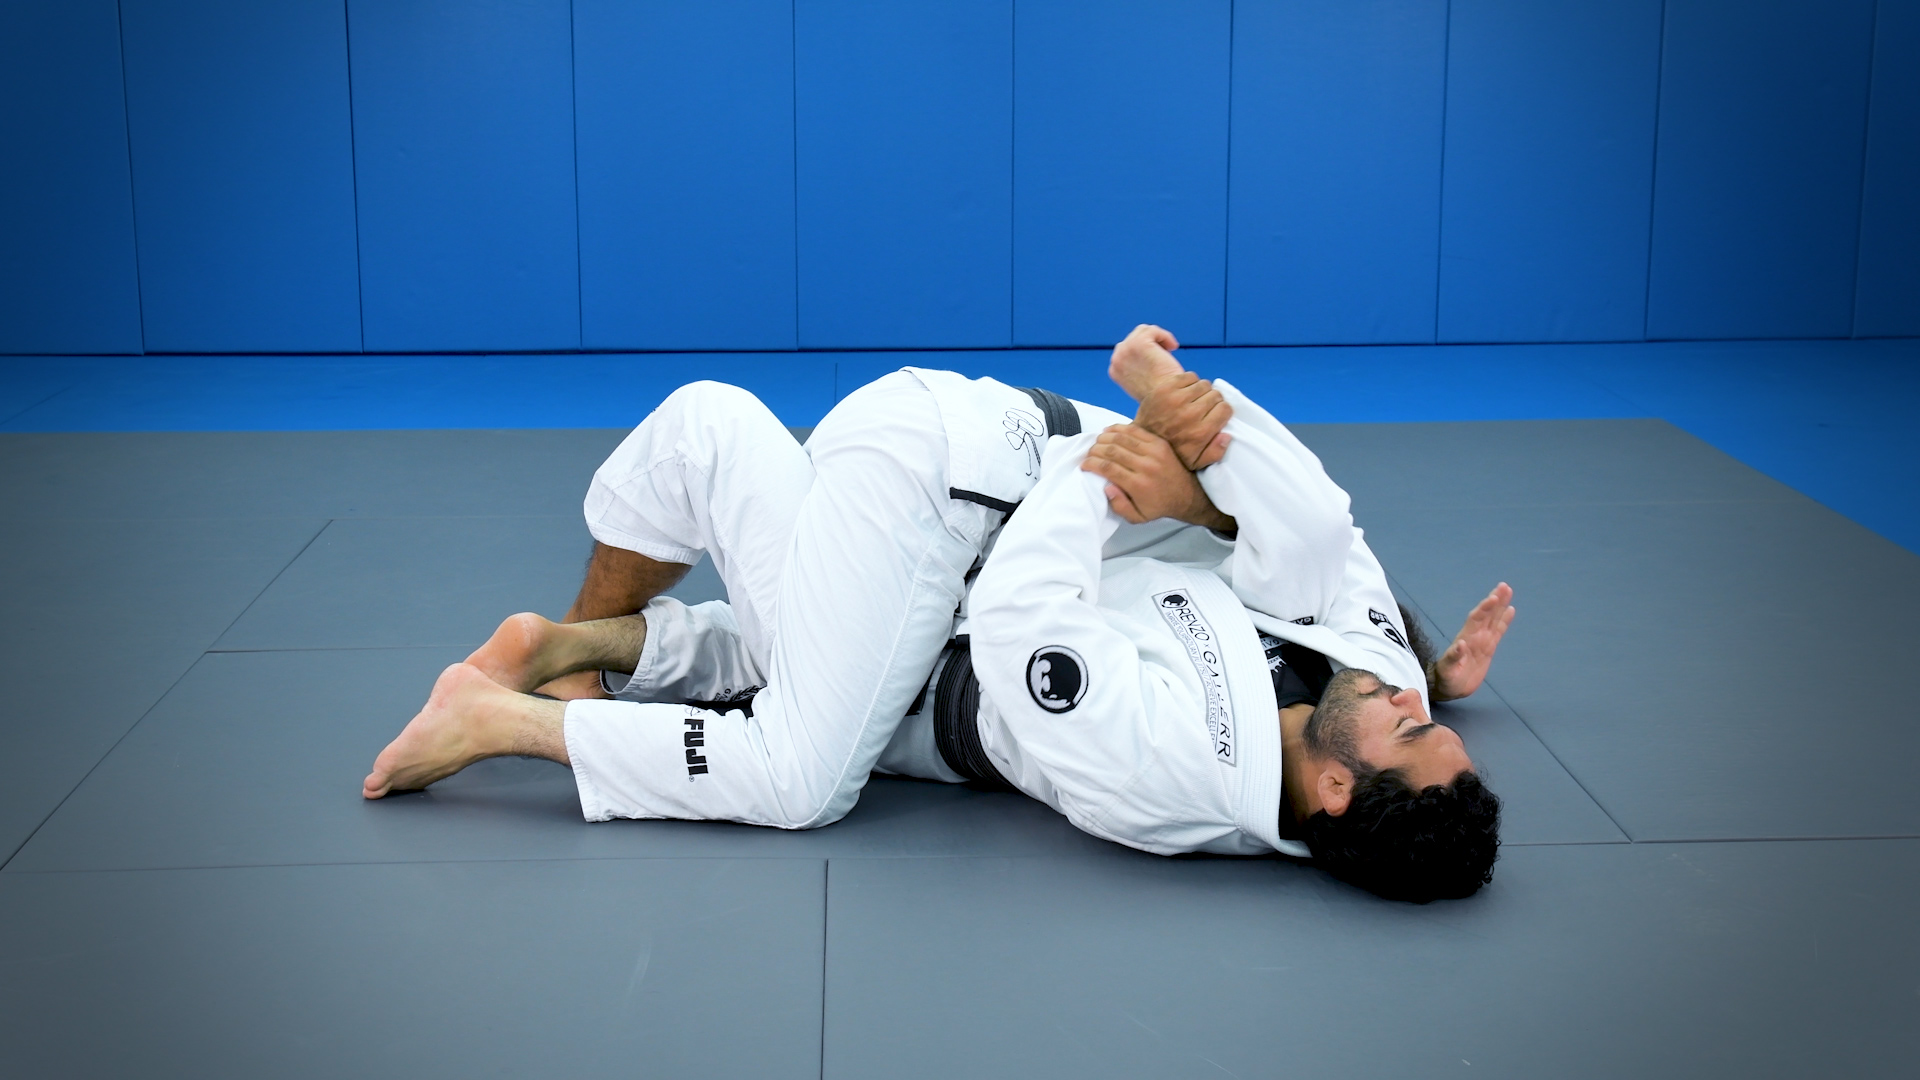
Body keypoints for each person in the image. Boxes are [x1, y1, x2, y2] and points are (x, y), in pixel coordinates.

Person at [364, 327, 1511, 901]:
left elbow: (1017, 627)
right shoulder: (1359, 697)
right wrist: (1201, 459)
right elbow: (1330, 545)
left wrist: (1117, 481)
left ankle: (577, 628)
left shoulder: (1175, 773)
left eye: (1413, 724)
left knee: (795, 683)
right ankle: (502, 719)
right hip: (958, 487)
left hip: (956, 513)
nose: (1405, 695)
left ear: (1334, 790)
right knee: (806, 773)